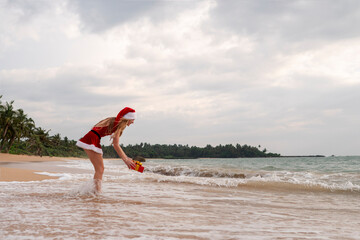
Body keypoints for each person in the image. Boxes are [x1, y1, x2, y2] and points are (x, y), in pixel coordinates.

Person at [76, 107, 136, 193]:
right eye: (132, 119)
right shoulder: (118, 125)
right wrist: (126, 159)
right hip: (92, 139)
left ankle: (95, 190)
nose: (133, 122)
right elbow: (116, 145)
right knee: (100, 169)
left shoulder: (113, 120)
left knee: (100, 169)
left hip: (92, 137)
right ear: (128, 118)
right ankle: (97, 192)